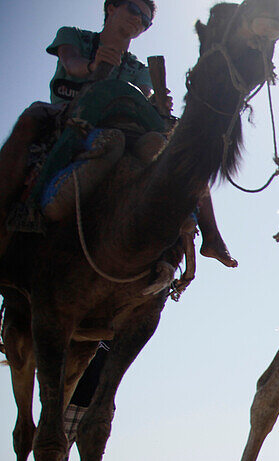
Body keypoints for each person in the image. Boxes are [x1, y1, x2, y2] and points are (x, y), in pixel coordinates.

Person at [0, 1, 236, 267]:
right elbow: (70, 62)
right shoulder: (74, 36)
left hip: (121, 124)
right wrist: (93, 66)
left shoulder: (139, 69)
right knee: (31, 117)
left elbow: (141, 97)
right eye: (134, 11)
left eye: (146, 21)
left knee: (180, 147)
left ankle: (210, 234)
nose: (139, 21)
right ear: (111, 8)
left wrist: (157, 107)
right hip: (66, 112)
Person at [48, 342, 111, 461]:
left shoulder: (113, 337)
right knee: (56, 458)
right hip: (71, 401)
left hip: (99, 406)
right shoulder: (78, 330)